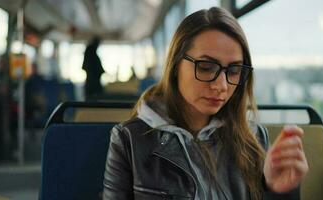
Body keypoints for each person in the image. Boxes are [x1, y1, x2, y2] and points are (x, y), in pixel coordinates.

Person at [103, 7, 308, 200]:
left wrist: (277, 191)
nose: (221, 86)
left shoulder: (254, 139)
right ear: (175, 65)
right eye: (206, 67)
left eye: (234, 71)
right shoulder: (129, 140)